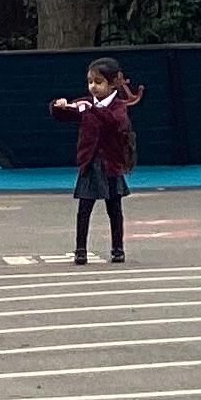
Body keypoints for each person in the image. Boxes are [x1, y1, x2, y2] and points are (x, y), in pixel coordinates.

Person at [51, 58, 142, 265]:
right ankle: (80, 249)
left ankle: (117, 248)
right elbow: (65, 114)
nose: (93, 86)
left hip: (111, 164)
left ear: (112, 84)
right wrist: (59, 106)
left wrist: (90, 109)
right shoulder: (87, 103)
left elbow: (114, 122)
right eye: (90, 82)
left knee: (114, 209)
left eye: (98, 82)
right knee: (84, 209)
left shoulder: (119, 106)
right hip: (90, 164)